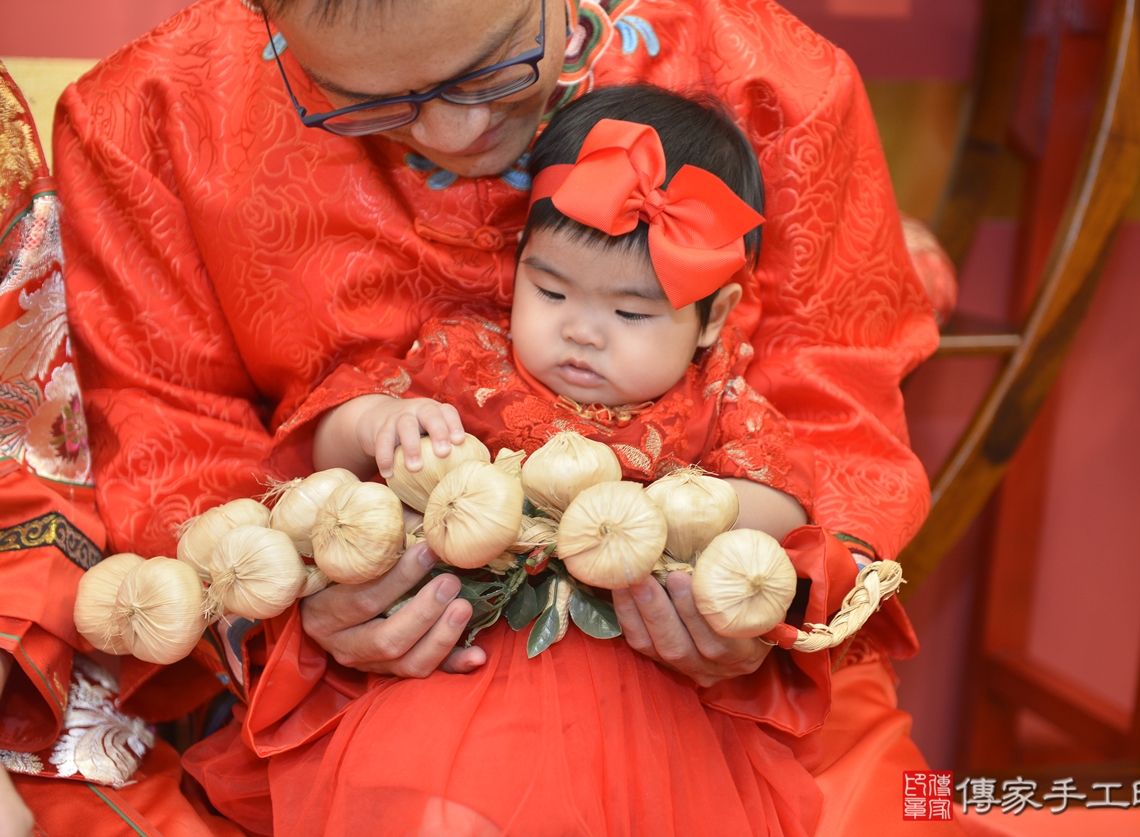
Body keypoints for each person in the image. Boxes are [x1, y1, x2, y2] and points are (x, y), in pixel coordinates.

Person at [40, 0, 956, 833]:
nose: (454, 132)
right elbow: (173, 444)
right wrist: (297, 608)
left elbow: (839, 432)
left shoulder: (772, 81)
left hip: (735, 702)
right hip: (355, 683)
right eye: (361, 99)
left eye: (497, 67)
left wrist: (758, 596)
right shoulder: (154, 117)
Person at [309, 86, 812, 546]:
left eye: (630, 312)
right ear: (519, 261)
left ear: (712, 317)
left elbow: (786, 508)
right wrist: (372, 422)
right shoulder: (465, 361)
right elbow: (329, 445)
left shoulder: (716, 399)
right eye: (550, 292)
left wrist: (671, 513)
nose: (581, 332)